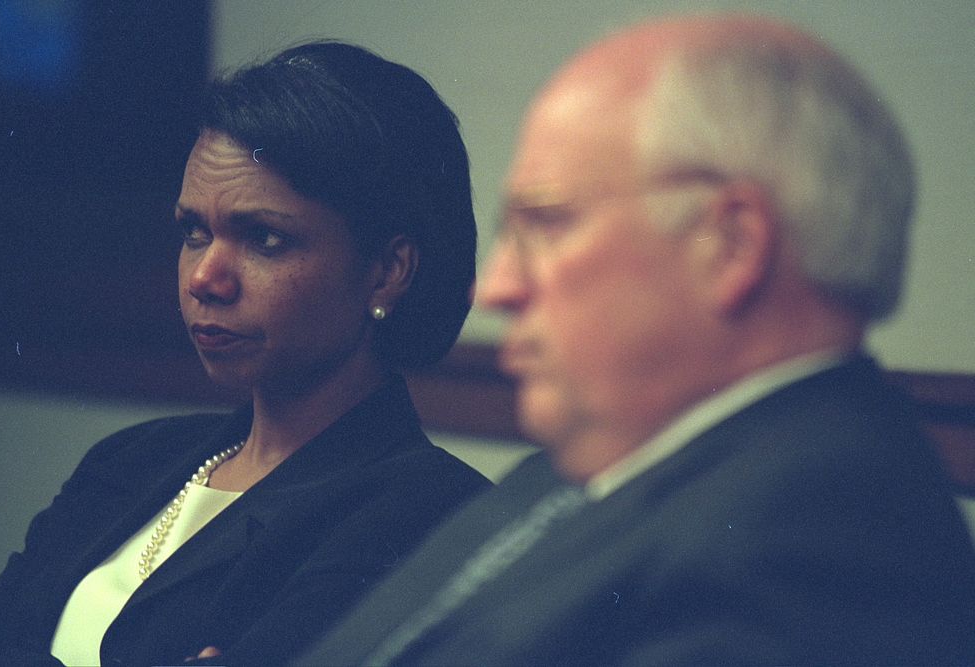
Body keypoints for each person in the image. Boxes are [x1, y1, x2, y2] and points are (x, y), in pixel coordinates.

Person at [294, 14, 975, 666]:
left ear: (729, 245)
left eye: (547, 221)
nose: (496, 286)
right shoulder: (601, 461)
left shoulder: (828, 546)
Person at [0, 41, 492, 667]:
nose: (206, 277)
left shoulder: (430, 514)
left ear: (388, 270)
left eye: (264, 239)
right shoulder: (127, 460)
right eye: (194, 232)